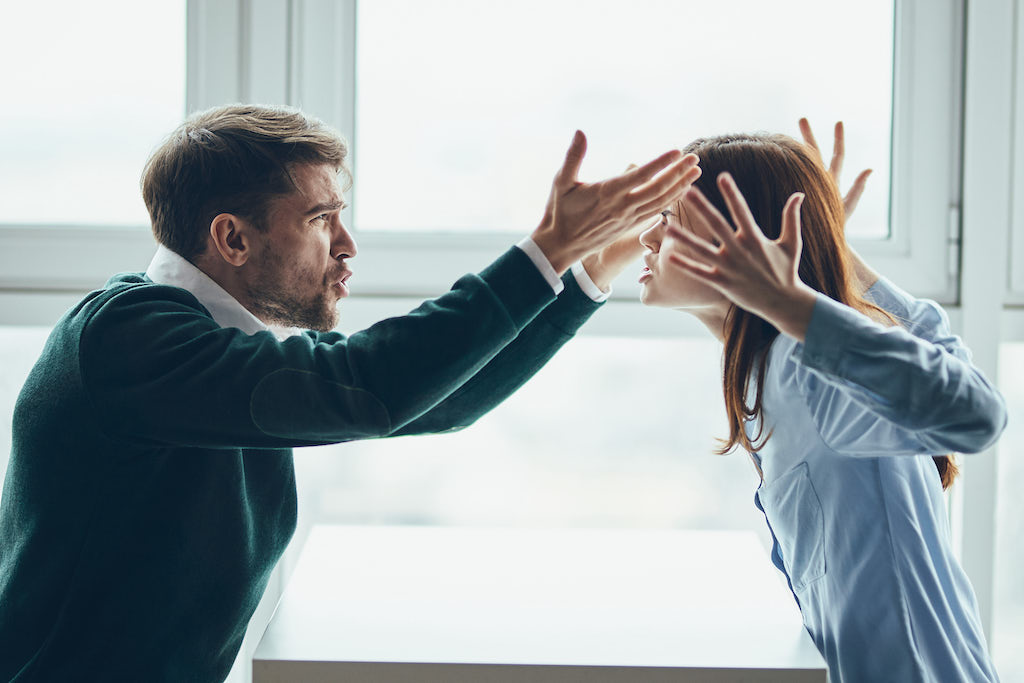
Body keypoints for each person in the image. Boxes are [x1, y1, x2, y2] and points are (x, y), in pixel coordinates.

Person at [0, 104, 700, 682]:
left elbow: (433, 402)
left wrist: (584, 275)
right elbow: (373, 385)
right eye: (320, 218)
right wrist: (544, 251)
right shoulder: (129, 340)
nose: (347, 244)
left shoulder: (211, 355)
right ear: (231, 239)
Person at [635, 121, 1006, 682]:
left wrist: (798, 292)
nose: (647, 238)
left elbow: (977, 415)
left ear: (740, 242)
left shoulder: (806, 368)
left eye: (668, 219)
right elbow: (925, 347)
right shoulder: (768, 370)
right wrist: (825, 246)